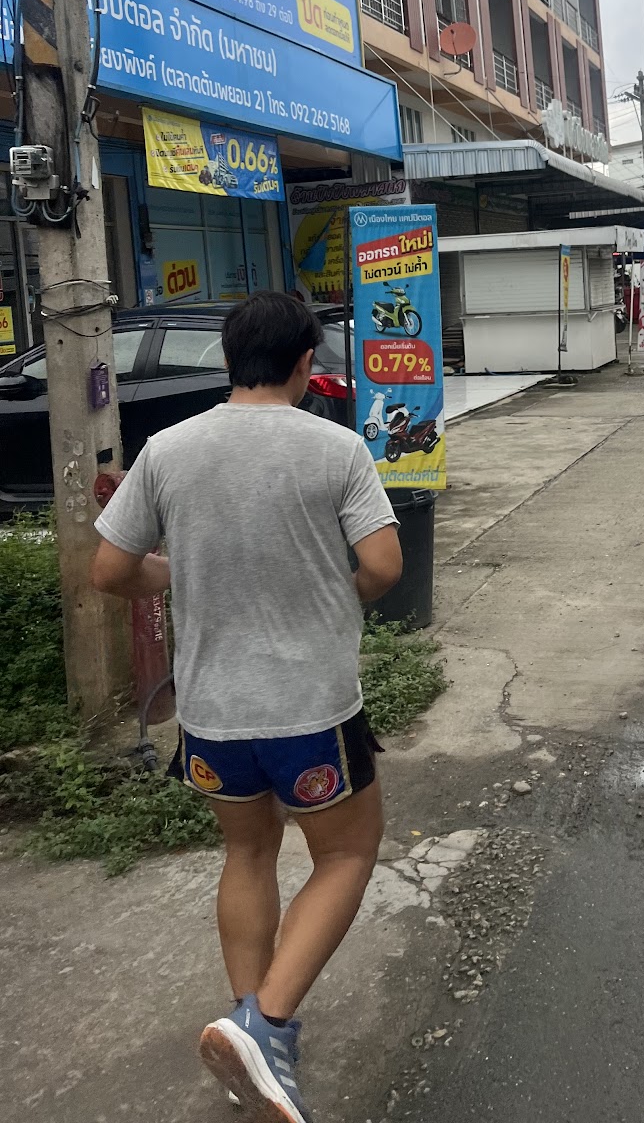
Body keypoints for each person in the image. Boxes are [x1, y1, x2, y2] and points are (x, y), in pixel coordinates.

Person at [92, 291, 403, 1123]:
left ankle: (251, 1035)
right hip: (312, 709)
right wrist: (334, 602)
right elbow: (381, 563)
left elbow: (110, 570)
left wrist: (170, 574)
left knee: (249, 856)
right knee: (345, 855)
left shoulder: (168, 450)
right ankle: (266, 1026)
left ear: (228, 360)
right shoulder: (334, 447)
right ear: (306, 364)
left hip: (213, 714)